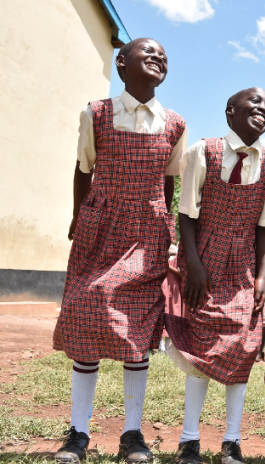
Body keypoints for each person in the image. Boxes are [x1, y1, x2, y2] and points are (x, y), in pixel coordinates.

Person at [53, 38, 187, 464]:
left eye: (164, 55)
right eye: (147, 52)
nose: (158, 57)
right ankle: (77, 432)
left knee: (136, 329)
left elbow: (169, 183)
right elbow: (83, 169)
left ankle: (132, 434)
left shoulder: (174, 124)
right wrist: (79, 218)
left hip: (147, 230)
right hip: (101, 222)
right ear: (121, 62)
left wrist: (163, 224)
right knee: (85, 312)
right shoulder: (96, 112)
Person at [166, 87, 265, 464]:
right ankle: (189, 439)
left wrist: (262, 276)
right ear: (230, 111)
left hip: (245, 263)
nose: (263, 110)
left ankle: (231, 440)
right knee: (201, 346)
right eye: (255, 103)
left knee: (243, 347)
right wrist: (194, 263)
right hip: (205, 256)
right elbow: (187, 211)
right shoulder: (204, 151)